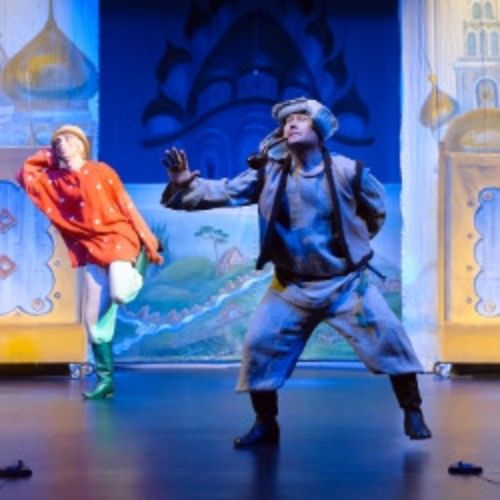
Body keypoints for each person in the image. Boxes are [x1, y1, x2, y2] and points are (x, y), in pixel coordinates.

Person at [160, 97, 432, 447]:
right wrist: (184, 183)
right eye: (287, 121)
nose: (292, 124)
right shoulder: (270, 173)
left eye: (301, 118)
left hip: (346, 284)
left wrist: (353, 243)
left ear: (319, 128)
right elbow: (224, 192)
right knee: (259, 346)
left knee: (390, 337)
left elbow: (375, 211)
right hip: (290, 287)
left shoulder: (349, 171)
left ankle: (412, 410)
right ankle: (265, 423)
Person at [17, 125, 163, 400]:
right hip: (90, 249)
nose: (61, 143)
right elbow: (26, 173)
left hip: (118, 237)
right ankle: (106, 381)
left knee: (120, 294)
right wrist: (49, 155)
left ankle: (140, 264)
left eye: (67, 139)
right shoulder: (54, 180)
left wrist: (149, 241)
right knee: (93, 322)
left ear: (81, 144)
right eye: (57, 141)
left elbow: (126, 205)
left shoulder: (101, 170)